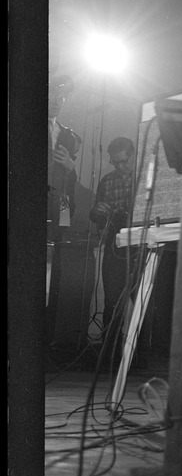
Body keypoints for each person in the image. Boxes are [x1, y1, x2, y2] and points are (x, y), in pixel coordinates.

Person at [89, 136, 137, 365]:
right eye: (115, 162)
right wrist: (98, 211)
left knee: (141, 301)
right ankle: (111, 356)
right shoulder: (107, 181)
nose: (119, 167)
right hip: (114, 244)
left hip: (143, 245)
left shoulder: (147, 179)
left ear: (134, 155)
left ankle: (138, 357)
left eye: (123, 162)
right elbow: (97, 217)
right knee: (112, 302)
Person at [46, 75, 82, 347]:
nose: (59, 101)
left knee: (56, 274)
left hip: (58, 211)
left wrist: (71, 168)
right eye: (54, 95)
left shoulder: (69, 135)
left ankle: (48, 341)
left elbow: (70, 187)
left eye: (62, 97)